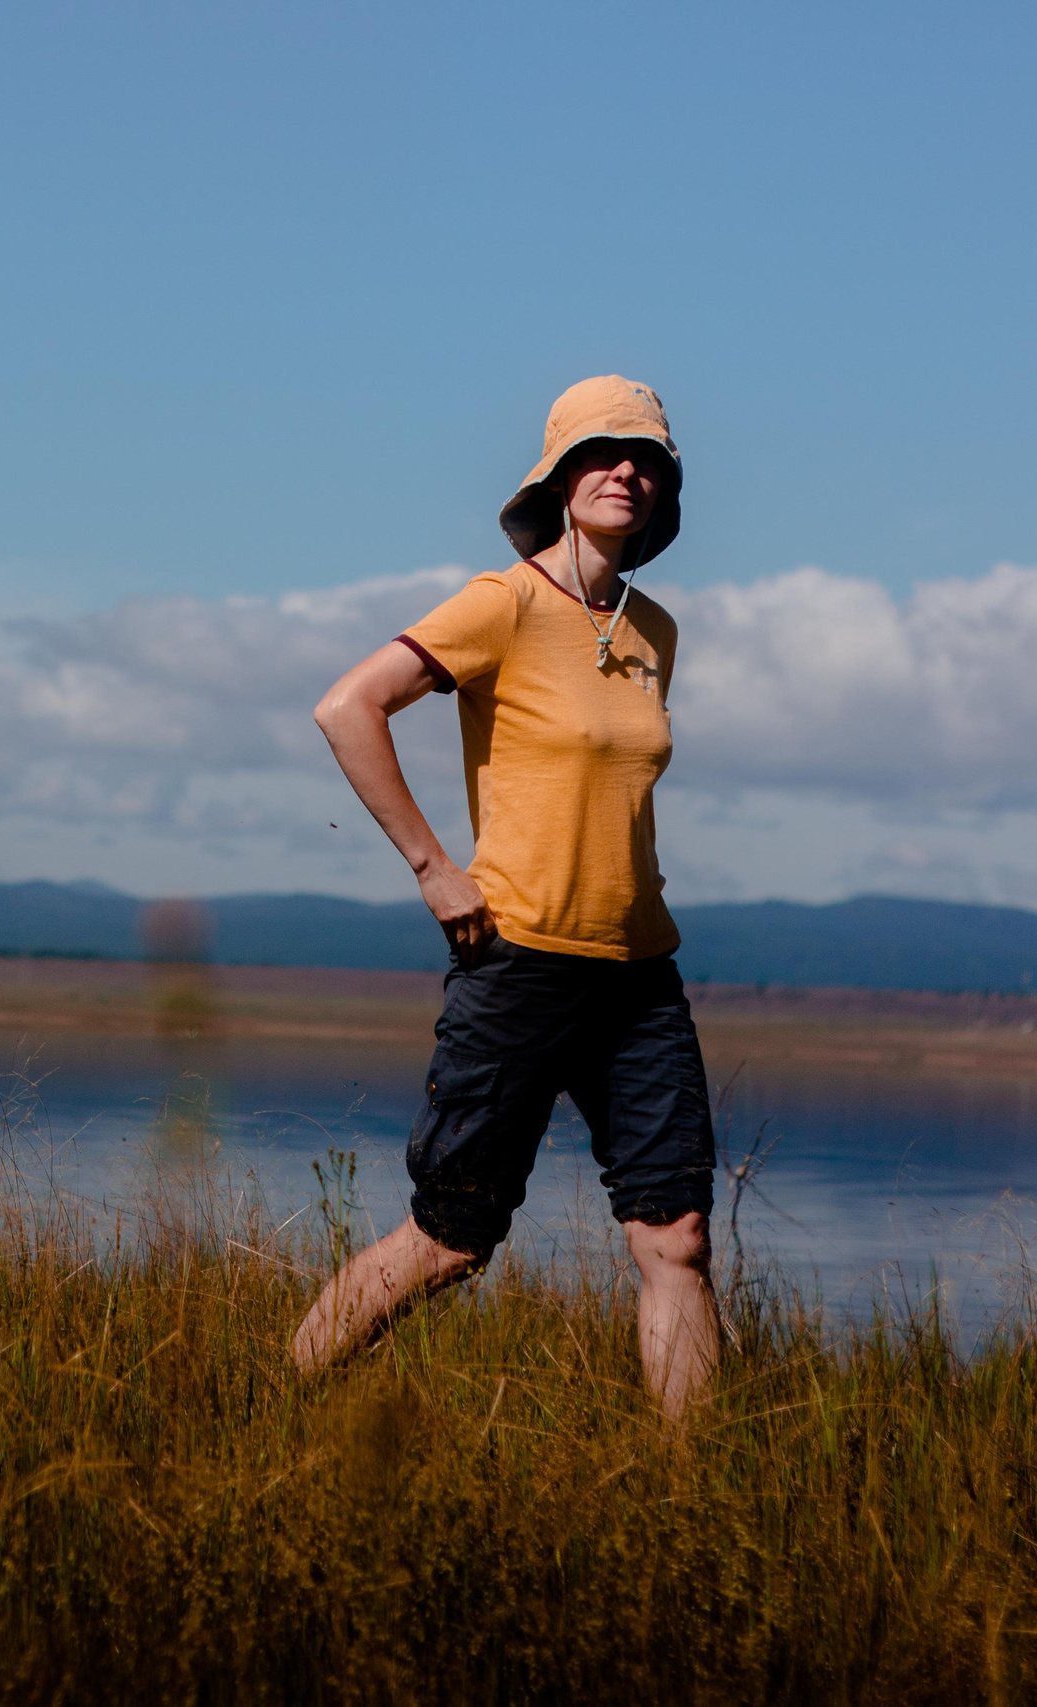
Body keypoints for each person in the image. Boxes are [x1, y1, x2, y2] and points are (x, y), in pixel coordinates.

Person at [290, 375, 720, 1418]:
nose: (628, 471)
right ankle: (274, 1398)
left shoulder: (653, 629)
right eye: (603, 453)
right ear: (560, 475)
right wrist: (435, 869)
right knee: (452, 1239)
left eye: (648, 460)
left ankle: (694, 1490)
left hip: (637, 975)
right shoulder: (504, 604)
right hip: (518, 961)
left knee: (677, 1239)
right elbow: (348, 708)